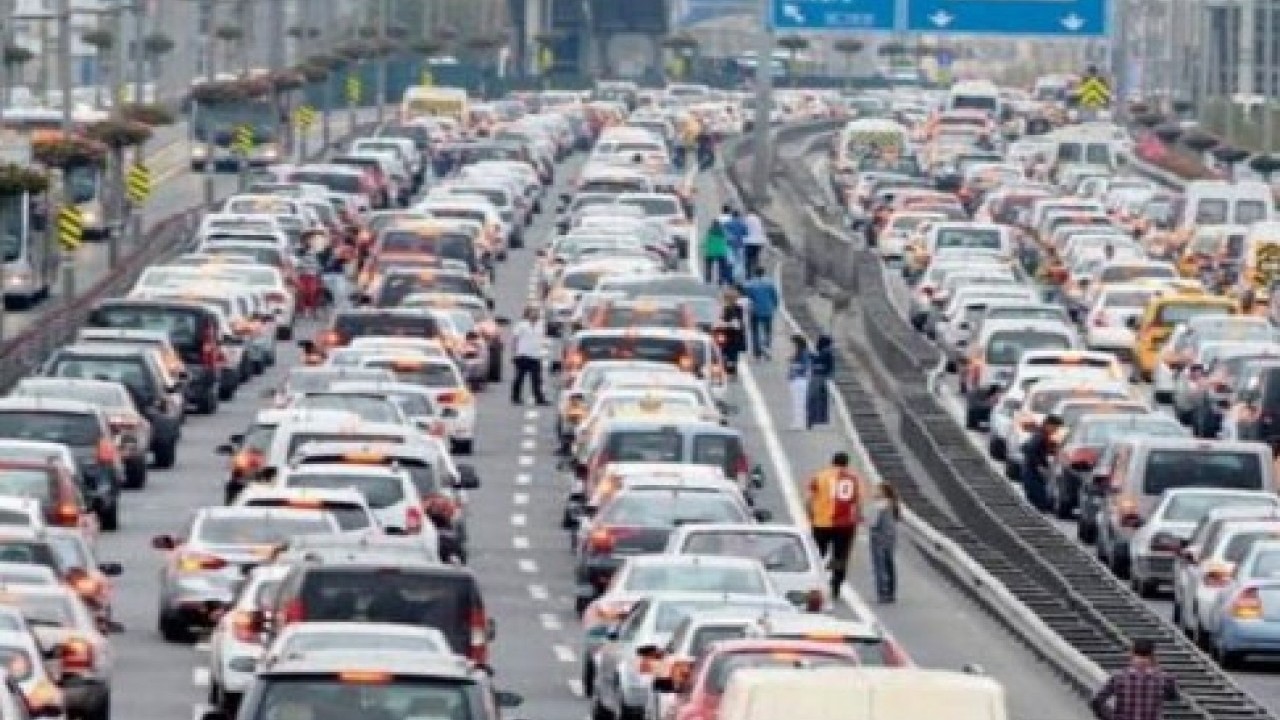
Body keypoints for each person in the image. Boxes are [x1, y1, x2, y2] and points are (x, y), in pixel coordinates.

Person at [806, 452, 863, 599]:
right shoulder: (854, 479)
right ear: (847, 463)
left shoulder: (820, 476)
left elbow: (810, 500)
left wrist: (811, 516)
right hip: (845, 524)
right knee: (840, 555)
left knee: (818, 554)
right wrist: (857, 518)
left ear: (832, 462)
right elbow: (857, 502)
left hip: (821, 522)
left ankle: (816, 582)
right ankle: (836, 584)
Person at [1089, 638, 1177, 720]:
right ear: (1153, 655)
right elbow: (1172, 697)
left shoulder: (1119, 677)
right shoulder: (1165, 679)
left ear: (1132, 653)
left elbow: (1096, 703)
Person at [1020, 414, 1060, 513]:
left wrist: (1052, 450)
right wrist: (1039, 465)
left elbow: (1032, 448)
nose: (1056, 431)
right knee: (1040, 501)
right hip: (1032, 472)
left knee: (1039, 501)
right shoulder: (1040, 435)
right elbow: (1029, 449)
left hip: (1031, 471)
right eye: (1055, 427)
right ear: (1048, 425)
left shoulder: (1042, 435)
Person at [868, 482, 900, 603]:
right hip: (890, 538)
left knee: (879, 566)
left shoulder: (880, 505)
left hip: (878, 538)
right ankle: (891, 592)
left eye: (877, 490)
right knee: (890, 565)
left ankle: (882, 592)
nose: (874, 492)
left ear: (883, 492)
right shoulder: (892, 504)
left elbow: (873, 523)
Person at [510, 307, 548, 406]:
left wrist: (541, 351)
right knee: (519, 377)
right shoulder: (522, 325)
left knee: (537, 379)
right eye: (533, 312)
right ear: (528, 314)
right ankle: (515, 397)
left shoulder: (541, 325)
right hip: (523, 355)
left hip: (535, 356)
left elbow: (542, 339)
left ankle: (539, 398)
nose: (535, 315)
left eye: (537, 313)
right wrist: (514, 353)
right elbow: (515, 339)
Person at [741, 267, 779, 359]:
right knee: (768, 331)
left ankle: (757, 352)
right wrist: (774, 306)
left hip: (755, 310)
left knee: (754, 331)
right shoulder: (770, 283)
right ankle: (767, 348)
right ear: (764, 273)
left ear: (755, 273)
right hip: (768, 310)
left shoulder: (750, 284)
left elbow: (745, 295)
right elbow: (775, 297)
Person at [718, 289, 746, 377]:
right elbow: (740, 322)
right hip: (736, 334)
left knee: (726, 353)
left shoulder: (727, 309)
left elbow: (724, 321)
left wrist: (724, 323)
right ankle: (732, 371)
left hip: (728, 334)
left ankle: (730, 371)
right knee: (733, 355)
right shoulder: (739, 308)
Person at [808, 335, 834, 428]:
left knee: (813, 398)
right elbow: (830, 369)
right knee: (821, 399)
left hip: (817, 378)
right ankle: (820, 418)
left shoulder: (823, 354)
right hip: (821, 378)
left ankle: (814, 418)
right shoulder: (827, 354)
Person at [787, 335, 812, 431]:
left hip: (800, 380)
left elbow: (805, 367)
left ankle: (801, 423)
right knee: (797, 403)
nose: (791, 346)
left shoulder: (803, 353)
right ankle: (798, 422)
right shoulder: (798, 353)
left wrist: (794, 365)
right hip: (796, 380)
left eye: (792, 344)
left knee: (800, 403)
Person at [703, 219, 731, 285]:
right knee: (722, 266)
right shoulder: (723, 232)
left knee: (708, 265)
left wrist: (703, 247)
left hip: (711, 251)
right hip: (721, 251)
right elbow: (728, 239)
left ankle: (708, 278)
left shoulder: (710, 232)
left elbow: (706, 241)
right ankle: (720, 279)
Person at [743, 208, 767, 276]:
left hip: (750, 242)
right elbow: (762, 230)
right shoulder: (758, 219)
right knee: (756, 257)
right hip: (759, 242)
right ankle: (756, 274)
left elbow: (744, 229)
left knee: (748, 258)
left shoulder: (746, 219)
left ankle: (748, 274)